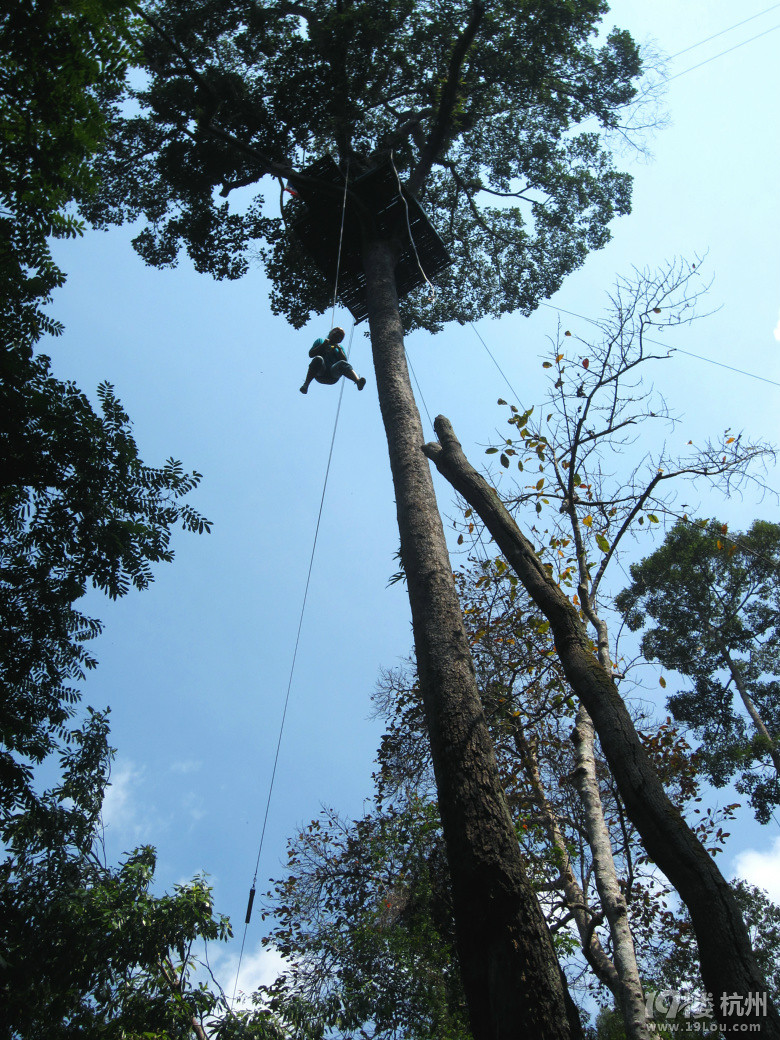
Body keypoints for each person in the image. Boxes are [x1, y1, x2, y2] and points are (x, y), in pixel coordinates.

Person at [300, 326, 367, 394]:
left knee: (342, 363)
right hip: (320, 372)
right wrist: (323, 345)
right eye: (336, 331)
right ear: (330, 332)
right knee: (318, 359)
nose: (337, 334)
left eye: (340, 335)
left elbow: (345, 363)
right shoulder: (320, 341)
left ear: (340, 340)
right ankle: (306, 385)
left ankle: (358, 381)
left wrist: (339, 350)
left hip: (332, 375)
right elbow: (311, 354)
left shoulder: (339, 348)